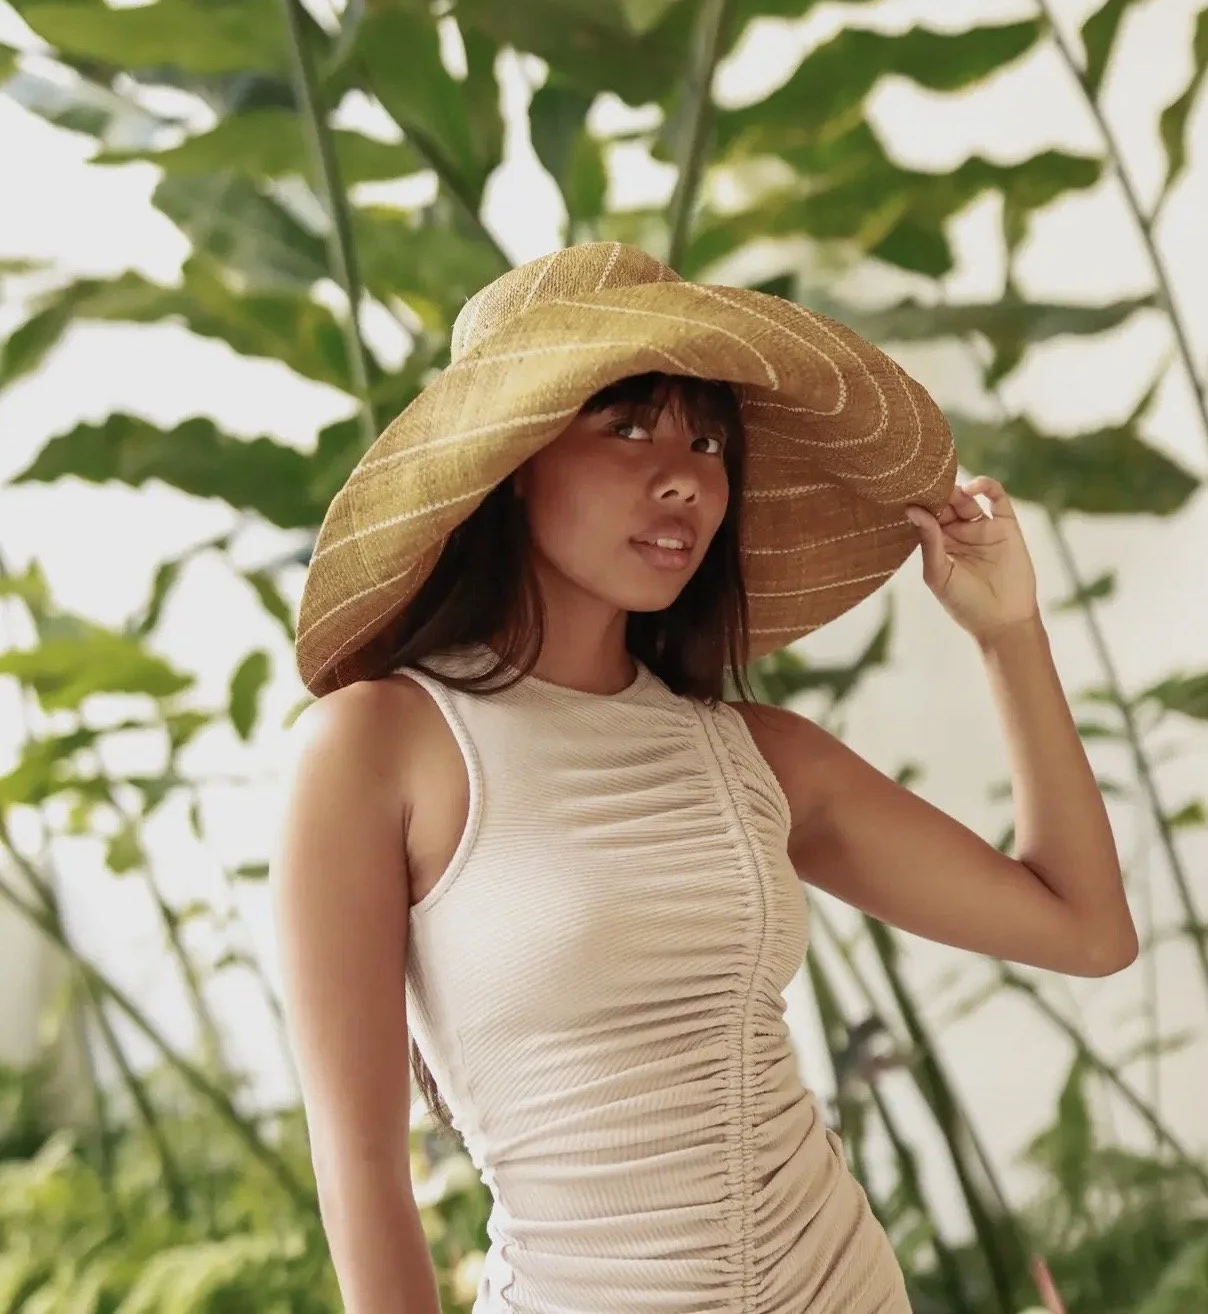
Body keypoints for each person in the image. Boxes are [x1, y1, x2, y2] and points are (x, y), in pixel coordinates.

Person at [269, 242, 1136, 1314]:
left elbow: (1085, 931)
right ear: (511, 459)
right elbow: (359, 1171)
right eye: (624, 427)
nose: (684, 474)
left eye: (707, 439)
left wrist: (1009, 637)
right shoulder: (374, 749)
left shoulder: (752, 754)